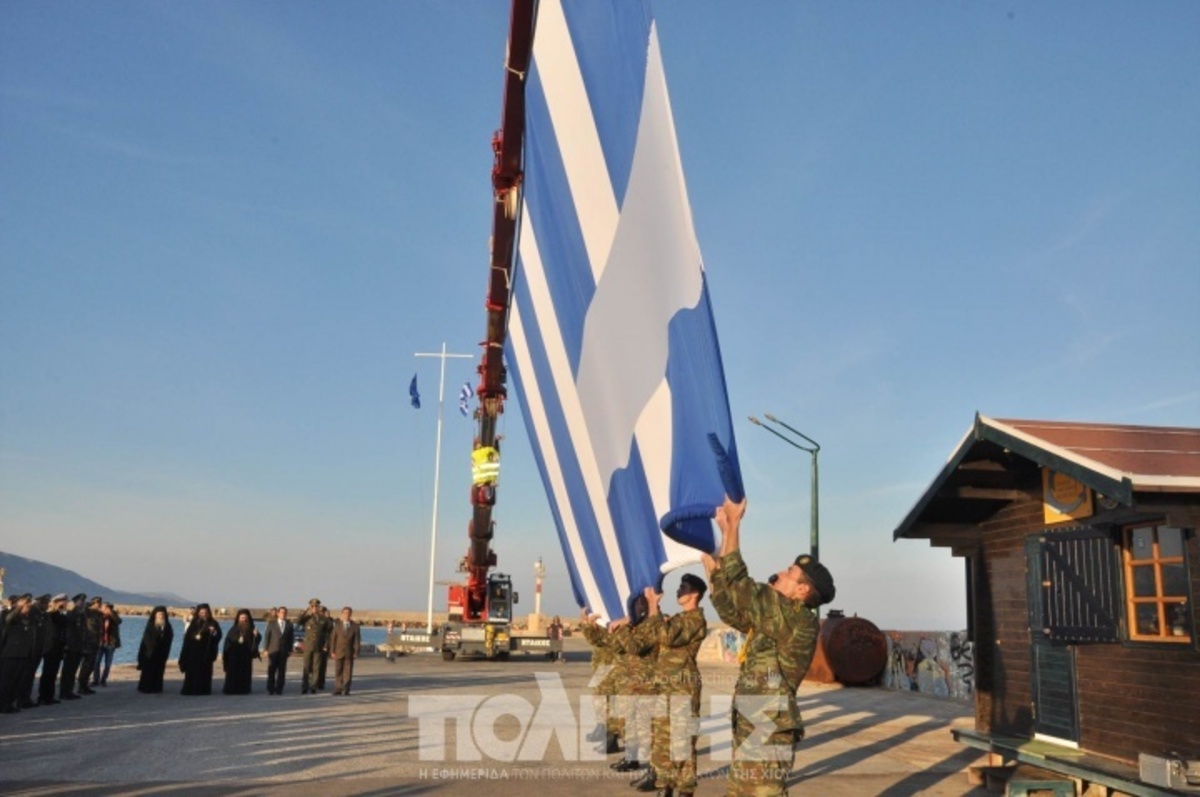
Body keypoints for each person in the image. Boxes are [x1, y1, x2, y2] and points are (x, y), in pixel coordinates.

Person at [702, 496, 835, 797]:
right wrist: (713, 571)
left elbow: (744, 588)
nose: (779, 574)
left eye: (789, 573)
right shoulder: (774, 621)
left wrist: (732, 526)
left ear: (803, 590)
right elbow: (732, 609)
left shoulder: (798, 620)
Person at [641, 575, 708, 797]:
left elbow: (666, 636)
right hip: (666, 688)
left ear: (695, 593)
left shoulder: (695, 620)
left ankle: (685, 789)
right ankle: (664, 786)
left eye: (684, 588)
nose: (679, 591)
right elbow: (654, 634)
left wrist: (654, 605)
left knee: (682, 742)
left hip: (683, 689)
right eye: (679, 587)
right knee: (662, 741)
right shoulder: (678, 619)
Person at [0, 594, 35, 713]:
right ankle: (3, 704)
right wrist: (19, 608)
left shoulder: (28, 618)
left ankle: (10, 703)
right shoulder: (8, 615)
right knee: (6, 681)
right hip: (10, 654)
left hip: (23, 654)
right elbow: (8, 619)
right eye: (26, 605)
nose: (28, 608)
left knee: (16, 681)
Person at [180, 603, 223, 695]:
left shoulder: (213, 623)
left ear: (208, 613)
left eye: (205, 612)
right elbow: (187, 638)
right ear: (198, 613)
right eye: (201, 612)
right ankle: (189, 689)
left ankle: (203, 690)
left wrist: (214, 632)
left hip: (205, 653)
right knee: (191, 671)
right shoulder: (193, 623)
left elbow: (218, 636)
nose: (203, 614)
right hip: (192, 652)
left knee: (204, 672)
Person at [38, 594, 69, 706]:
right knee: (47, 672)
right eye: (63, 602)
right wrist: (57, 610)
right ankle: (43, 696)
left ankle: (49, 696)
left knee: (53, 673)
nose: (65, 604)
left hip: (59, 648)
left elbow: (65, 626)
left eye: (65, 602)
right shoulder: (51, 615)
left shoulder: (62, 615)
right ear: (56, 602)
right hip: (51, 647)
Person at [222, 609, 261, 695]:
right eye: (242, 618)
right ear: (238, 618)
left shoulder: (252, 629)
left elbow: (257, 640)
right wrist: (226, 656)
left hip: (245, 656)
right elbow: (227, 643)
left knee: (245, 673)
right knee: (232, 673)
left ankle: (244, 689)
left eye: (245, 618)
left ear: (248, 619)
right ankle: (231, 689)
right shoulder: (233, 629)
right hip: (234, 656)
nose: (243, 619)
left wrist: (256, 635)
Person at [137, 606, 174, 694]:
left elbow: (170, 637)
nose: (161, 616)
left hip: (161, 653)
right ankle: (145, 688)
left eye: (162, 614)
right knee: (148, 671)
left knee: (159, 670)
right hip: (150, 652)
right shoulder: (150, 625)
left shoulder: (167, 626)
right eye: (159, 614)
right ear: (155, 615)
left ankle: (157, 687)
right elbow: (146, 639)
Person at [58, 593, 88, 701]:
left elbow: (83, 632)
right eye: (81, 602)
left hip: (78, 647)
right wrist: (67, 645)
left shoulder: (81, 615)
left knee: (73, 670)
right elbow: (69, 628)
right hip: (71, 647)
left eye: (83, 602)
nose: (83, 604)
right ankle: (64, 692)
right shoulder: (72, 614)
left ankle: (69, 691)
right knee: (67, 671)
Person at [328, 606, 361, 696]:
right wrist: (332, 651)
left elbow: (357, 640)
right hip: (338, 651)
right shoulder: (338, 625)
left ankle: (346, 689)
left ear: (351, 614)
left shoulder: (355, 626)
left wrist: (356, 651)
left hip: (349, 652)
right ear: (342, 614)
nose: (346, 615)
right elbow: (333, 639)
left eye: (348, 613)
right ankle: (338, 688)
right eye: (345, 613)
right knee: (338, 671)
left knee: (348, 671)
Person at [261, 605, 294, 695]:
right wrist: (265, 649)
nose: (283, 614)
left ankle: (279, 688)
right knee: (271, 670)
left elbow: (291, 638)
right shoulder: (272, 624)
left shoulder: (289, 625)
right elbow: (267, 637)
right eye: (281, 612)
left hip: (284, 651)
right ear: (278, 613)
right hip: (273, 650)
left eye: (285, 613)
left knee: (282, 671)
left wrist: (290, 649)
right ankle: (270, 688)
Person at [296, 599, 327, 693]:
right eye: (312, 606)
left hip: (318, 646)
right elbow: (298, 621)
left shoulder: (323, 619)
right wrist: (306, 611)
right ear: (310, 607)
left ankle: (314, 686)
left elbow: (329, 631)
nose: (314, 608)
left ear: (318, 608)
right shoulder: (307, 618)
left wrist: (326, 644)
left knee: (316, 668)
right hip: (308, 646)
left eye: (316, 606)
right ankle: (304, 686)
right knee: (306, 667)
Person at [91, 602, 122, 687]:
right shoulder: (99, 616)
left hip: (110, 643)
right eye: (103, 607)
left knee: (108, 663)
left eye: (105, 608)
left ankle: (103, 680)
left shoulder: (113, 616)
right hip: (100, 643)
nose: (103, 609)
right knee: (96, 662)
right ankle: (95, 680)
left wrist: (110, 613)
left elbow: (119, 621)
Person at [77, 596, 103, 694]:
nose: (99, 604)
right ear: (93, 603)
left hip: (95, 642)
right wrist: (87, 605)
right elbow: (80, 611)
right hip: (87, 643)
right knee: (86, 665)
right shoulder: (87, 612)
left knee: (92, 665)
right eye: (97, 603)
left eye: (100, 603)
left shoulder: (99, 614)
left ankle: (85, 685)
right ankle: (81, 686)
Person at [315, 605, 333, 690]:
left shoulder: (328, 621)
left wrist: (328, 618)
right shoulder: (316, 620)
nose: (321, 613)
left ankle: (321, 682)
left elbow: (331, 633)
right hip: (315, 645)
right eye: (320, 612)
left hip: (324, 645)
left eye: (323, 612)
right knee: (314, 665)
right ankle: (314, 681)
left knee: (322, 665)